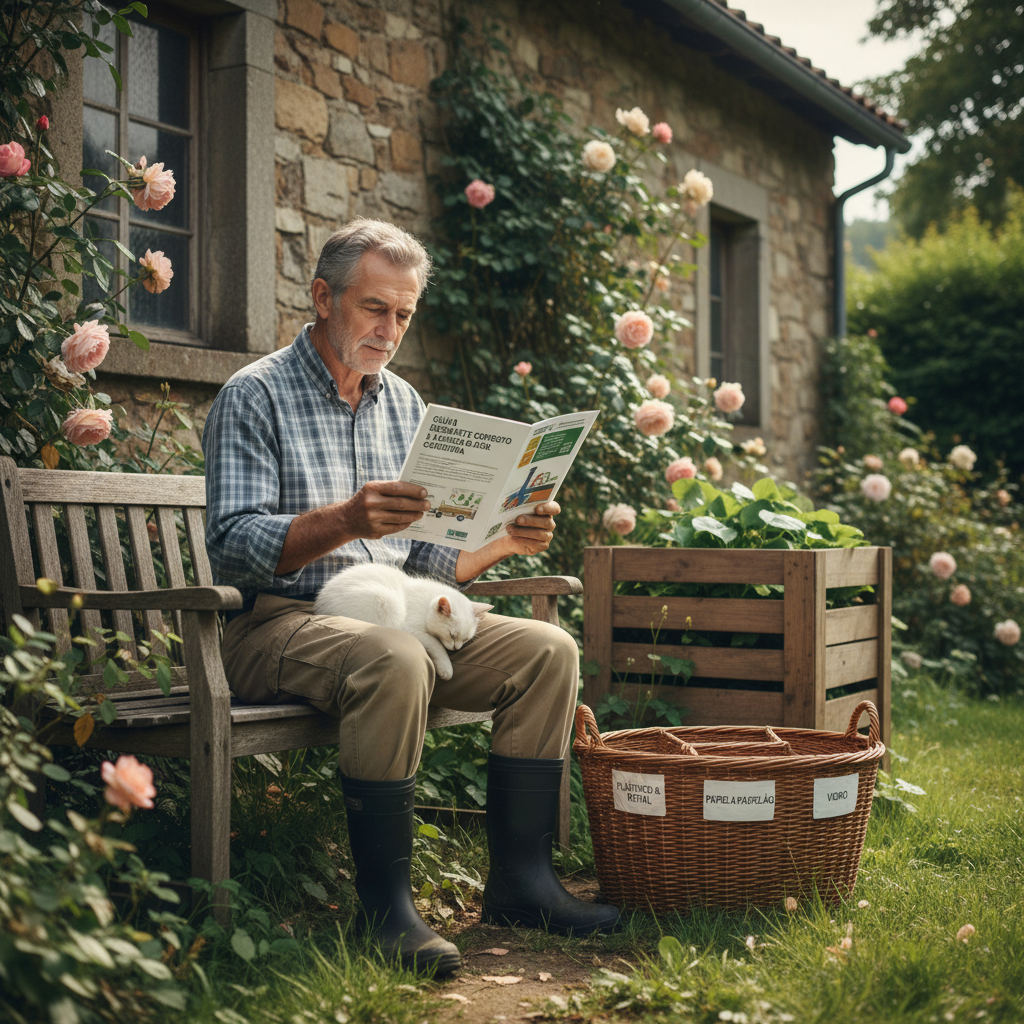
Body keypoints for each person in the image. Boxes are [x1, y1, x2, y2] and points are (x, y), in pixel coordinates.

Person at [202, 219, 620, 974]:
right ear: (323, 297)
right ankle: (386, 910)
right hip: (276, 624)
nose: (389, 331)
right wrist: (346, 520)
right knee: (396, 657)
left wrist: (505, 541)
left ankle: (522, 885)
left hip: (395, 615)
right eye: (374, 308)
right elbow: (231, 546)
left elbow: (426, 559)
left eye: (403, 314)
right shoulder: (253, 395)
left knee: (549, 651)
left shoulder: (402, 404)